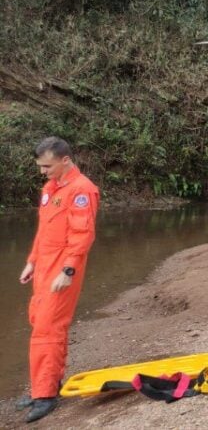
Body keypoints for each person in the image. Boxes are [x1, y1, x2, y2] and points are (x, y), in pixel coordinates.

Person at [16, 137, 99, 423]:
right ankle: (46, 384)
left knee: (47, 329)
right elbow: (44, 231)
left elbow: (82, 235)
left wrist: (68, 270)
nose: (42, 171)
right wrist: (31, 261)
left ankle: (45, 395)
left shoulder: (81, 190)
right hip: (44, 267)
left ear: (65, 160)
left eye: (47, 166)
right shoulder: (51, 188)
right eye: (40, 166)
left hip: (62, 269)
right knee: (39, 321)